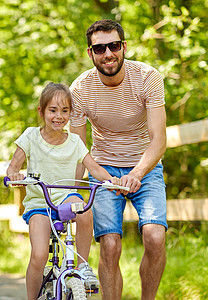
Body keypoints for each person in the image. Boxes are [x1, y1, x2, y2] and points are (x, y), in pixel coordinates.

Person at [69, 19, 168, 300]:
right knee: (110, 245)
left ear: (124, 47)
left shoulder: (147, 77)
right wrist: (73, 192)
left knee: (154, 236)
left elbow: (159, 139)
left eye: (113, 46)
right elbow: (78, 148)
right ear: (90, 53)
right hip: (103, 169)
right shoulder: (80, 89)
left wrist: (136, 174)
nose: (108, 54)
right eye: (99, 49)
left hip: (144, 167)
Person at [6, 82, 125, 300]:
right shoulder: (31, 136)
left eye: (65, 111)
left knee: (85, 210)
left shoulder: (74, 142)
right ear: (41, 111)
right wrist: (14, 175)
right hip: (40, 203)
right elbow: (14, 166)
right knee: (39, 255)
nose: (58, 116)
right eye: (53, 110)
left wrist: (112, 180)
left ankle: (81, 267)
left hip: (65, 197)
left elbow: (95, 168)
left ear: (70, 113)